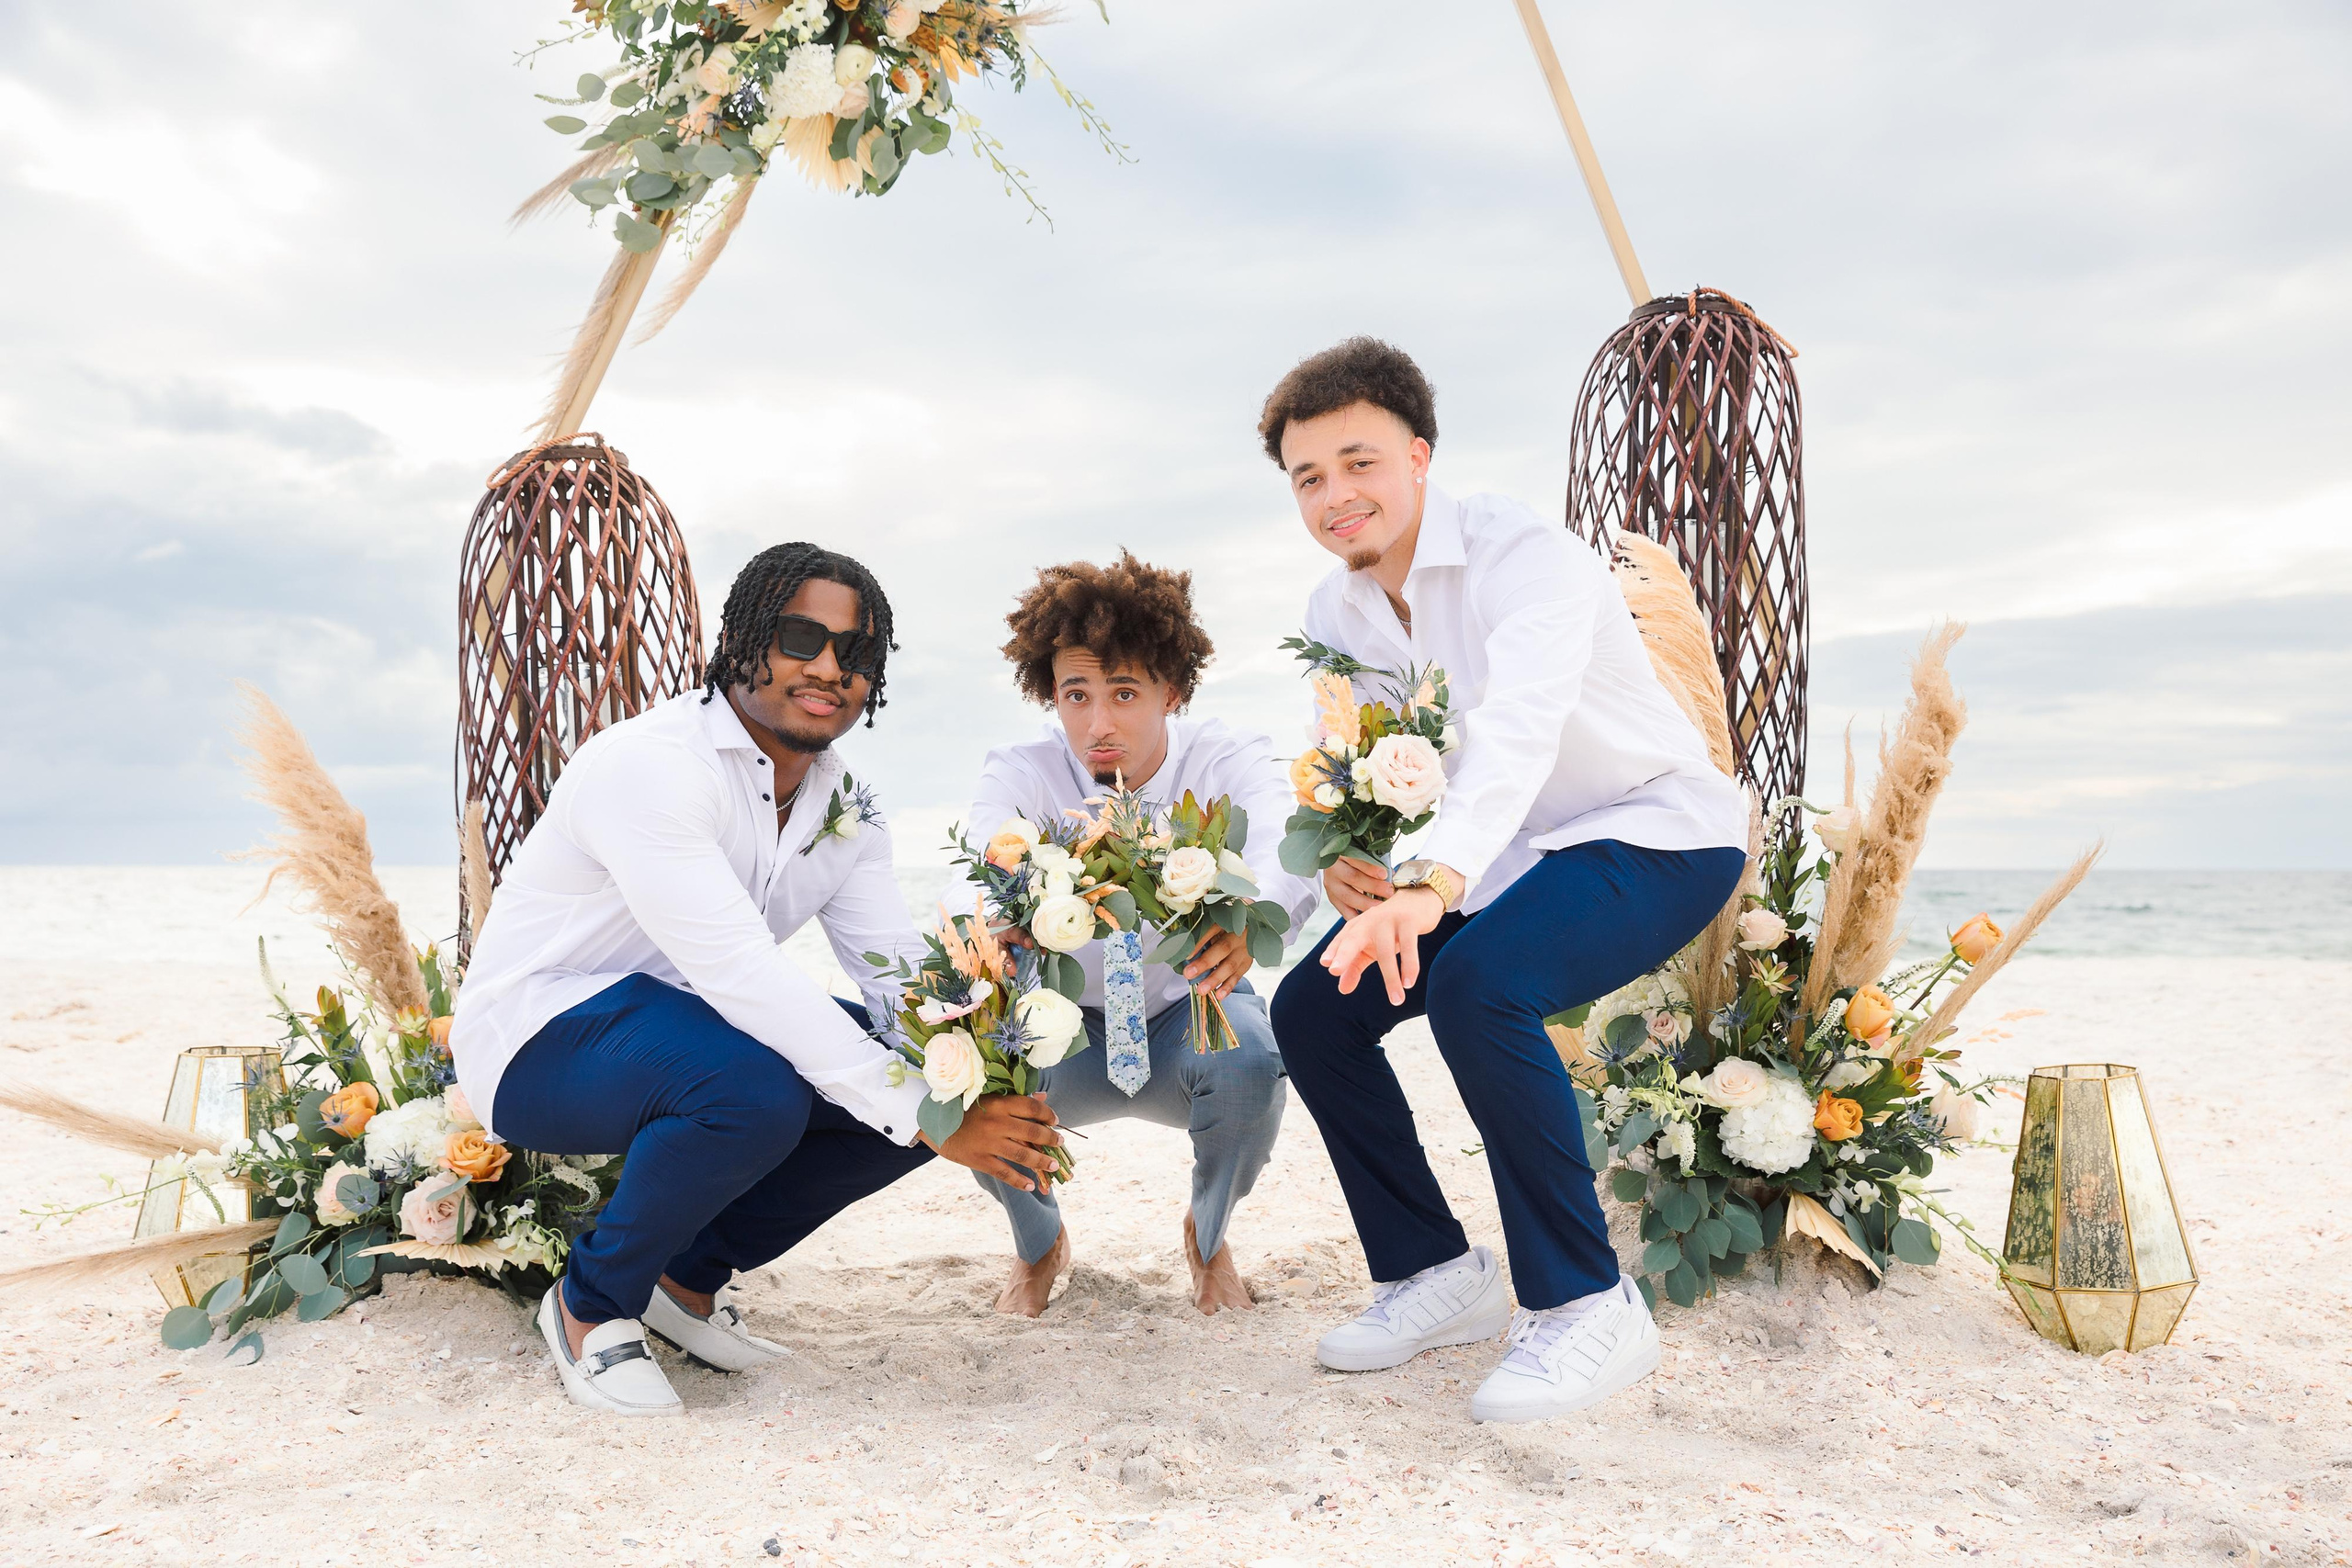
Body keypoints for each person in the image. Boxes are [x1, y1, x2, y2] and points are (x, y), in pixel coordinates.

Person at [450, 543, 1064, 1417]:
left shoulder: (846, 803)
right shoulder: (652, 764)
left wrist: (962, 1072)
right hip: (539, 1036)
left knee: (906, 1082)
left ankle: (684, 1278)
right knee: (768, 1088)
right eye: (800, 638)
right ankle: (590, 1303)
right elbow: (740, 971)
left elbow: (893, 977)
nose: (827, 668)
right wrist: (921, 1106)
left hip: (686, 1033)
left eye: (855, 655)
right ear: (742, 640)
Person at [1260, 339, 1748, 1424]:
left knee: (1482, 983)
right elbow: (1380, 766)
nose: (1337, 496)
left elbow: (1515, 730)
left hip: (1656, 829)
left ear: (1419, 456)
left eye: (1359, 461)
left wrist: (1431, 881)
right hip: (1509, 857)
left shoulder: (1528, 556)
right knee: (1314, 1006)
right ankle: (1437, 1273)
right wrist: (1361, 862)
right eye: (1308, 477)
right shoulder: (1336, 614)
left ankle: (1586, 1303)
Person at [964, 554, 1318, 1316]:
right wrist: (1017, 895)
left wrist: (1253, 926)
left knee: (1254, 1059)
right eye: (1076, 695)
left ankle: (1209, 1232)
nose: (1099, 724)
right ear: (1050, 695)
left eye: (1124, 692)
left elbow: (1288, 853)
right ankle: (1038, 1243)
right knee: (966, 1075)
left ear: (1172, 690)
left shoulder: (1224, 757)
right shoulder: (1022, 772)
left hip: (1182, 1011)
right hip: (1068, 1034)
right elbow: (985, 848)